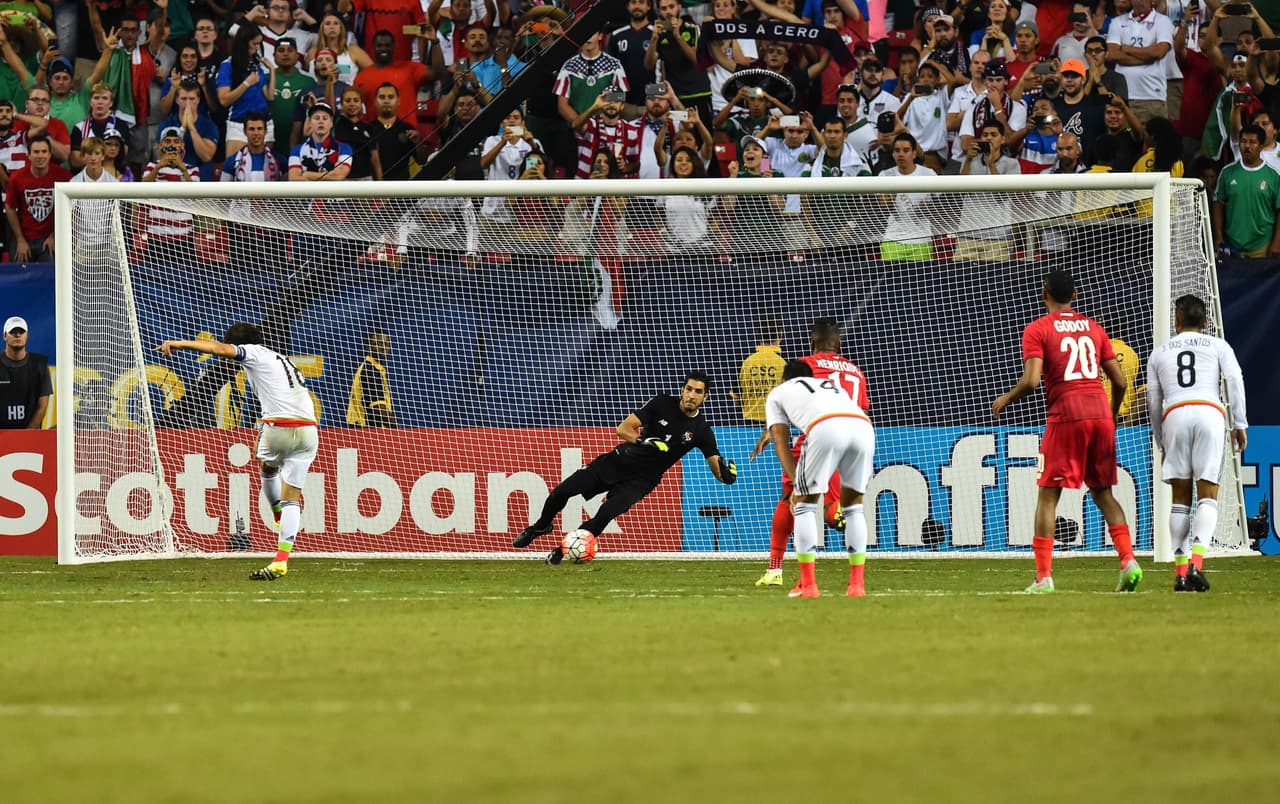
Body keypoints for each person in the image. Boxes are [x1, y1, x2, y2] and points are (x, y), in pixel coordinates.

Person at [991, 270, 1143, 594]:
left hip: (1067, 415)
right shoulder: (1094, 328)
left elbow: (1032, 381)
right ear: (1075, 295)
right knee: (1103, 494)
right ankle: (1128, 560)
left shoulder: (1038, 329)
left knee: (1048, 495)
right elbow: (1119, 381)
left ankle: (1044, 577)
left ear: (1044, 293)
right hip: (1100, 414)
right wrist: (1112, 415)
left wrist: (1006, 398)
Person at [513, 371, 738, 564]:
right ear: (682, 390)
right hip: (618, 462)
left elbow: (716, 466)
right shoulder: (661, 403)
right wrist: (643, 441)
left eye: (698, 392)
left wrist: (727, 476)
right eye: (689, 389)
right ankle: (541, 526)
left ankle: (563, 551)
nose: (692, 395)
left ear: (705, 397)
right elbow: (623, 428)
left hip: (641, 481)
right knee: (562, 492)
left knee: (605, 515)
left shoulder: (701, 431)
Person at [156, 323, 318, 581]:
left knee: (265, 464)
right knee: (292, 498)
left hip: (279, 426)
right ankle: (281, 559)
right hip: (309, 431)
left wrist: (179, 344)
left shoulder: (253, 353)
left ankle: (276, 511)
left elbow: (219, 349)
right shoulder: (282, 359)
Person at [752, 317, 868, 587]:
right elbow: (859, 409)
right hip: (856, 434)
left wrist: (772, 429)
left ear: (812, 341)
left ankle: (778, 571)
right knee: (839, 506)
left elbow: (796, 400)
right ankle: (855, 579)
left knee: (793, 500)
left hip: (816, 435)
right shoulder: (856, 371)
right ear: (838, 343)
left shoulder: (806, 366)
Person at [1146, 294, 1248, 592]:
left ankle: (1179, 574)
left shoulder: (1160, 352)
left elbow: (1154, 400)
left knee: (1180, 498)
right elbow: (1235, 380)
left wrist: (1160, 437)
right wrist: (1239, 423)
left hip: (1174, 414)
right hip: (1209, 413)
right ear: (1206, 322)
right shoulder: (1218, 346)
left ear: (1176, 322)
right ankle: (1196, 564)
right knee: (1208, 493)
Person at [764, 360, 875, 598]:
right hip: (864, 427)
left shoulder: (779, 392)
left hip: (825, 427)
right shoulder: (828, 384)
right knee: (854, 508)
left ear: (785, 379)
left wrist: (797, 483)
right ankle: (857, 585)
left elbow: (780, 441)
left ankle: (809, 585)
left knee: (803, 505)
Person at [1213, 124, 1280, 258]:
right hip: (1232, 248)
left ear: (1261, 146)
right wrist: (1219, 237)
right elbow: (1218, 204)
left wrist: (1276, 243)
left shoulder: (1274, 176)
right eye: (1243, 141)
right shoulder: (1227, 173)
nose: (1247, 146)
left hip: (1263, 247)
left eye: (1252, 142)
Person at [5, 134, 69, 262]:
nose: (40, 156)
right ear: (28, 155)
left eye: (44, 151)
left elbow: (70, 209)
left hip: (50, 238)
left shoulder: (64, 176)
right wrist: (20, 239)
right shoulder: (17, 177)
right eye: (36, 152)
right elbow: (10, 207)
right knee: (19, 273)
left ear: (50, 154)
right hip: (25, 238)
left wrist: (55, 235)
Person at [0, 315, 51, 429]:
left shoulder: (40, 364)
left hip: (30, 436)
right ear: (4, 336)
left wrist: (27, 435)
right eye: (13, 332)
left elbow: (42, 406)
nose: (17, 335)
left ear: (27, 335)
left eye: (21, 331)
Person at [737, 316, 786, 424]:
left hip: (749, 425)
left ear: (758, 334)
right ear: (781, 334)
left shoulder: (746, 362)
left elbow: (736, 397)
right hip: (777, 424)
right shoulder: (784, 364)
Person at [347, 329, 396, 427]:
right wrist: (397, 432)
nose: (384, 347)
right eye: (379, 343)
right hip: (365, 430)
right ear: (368, 347)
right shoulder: (370, 370)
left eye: (386, 344)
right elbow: (378, 407)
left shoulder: (377, 368)